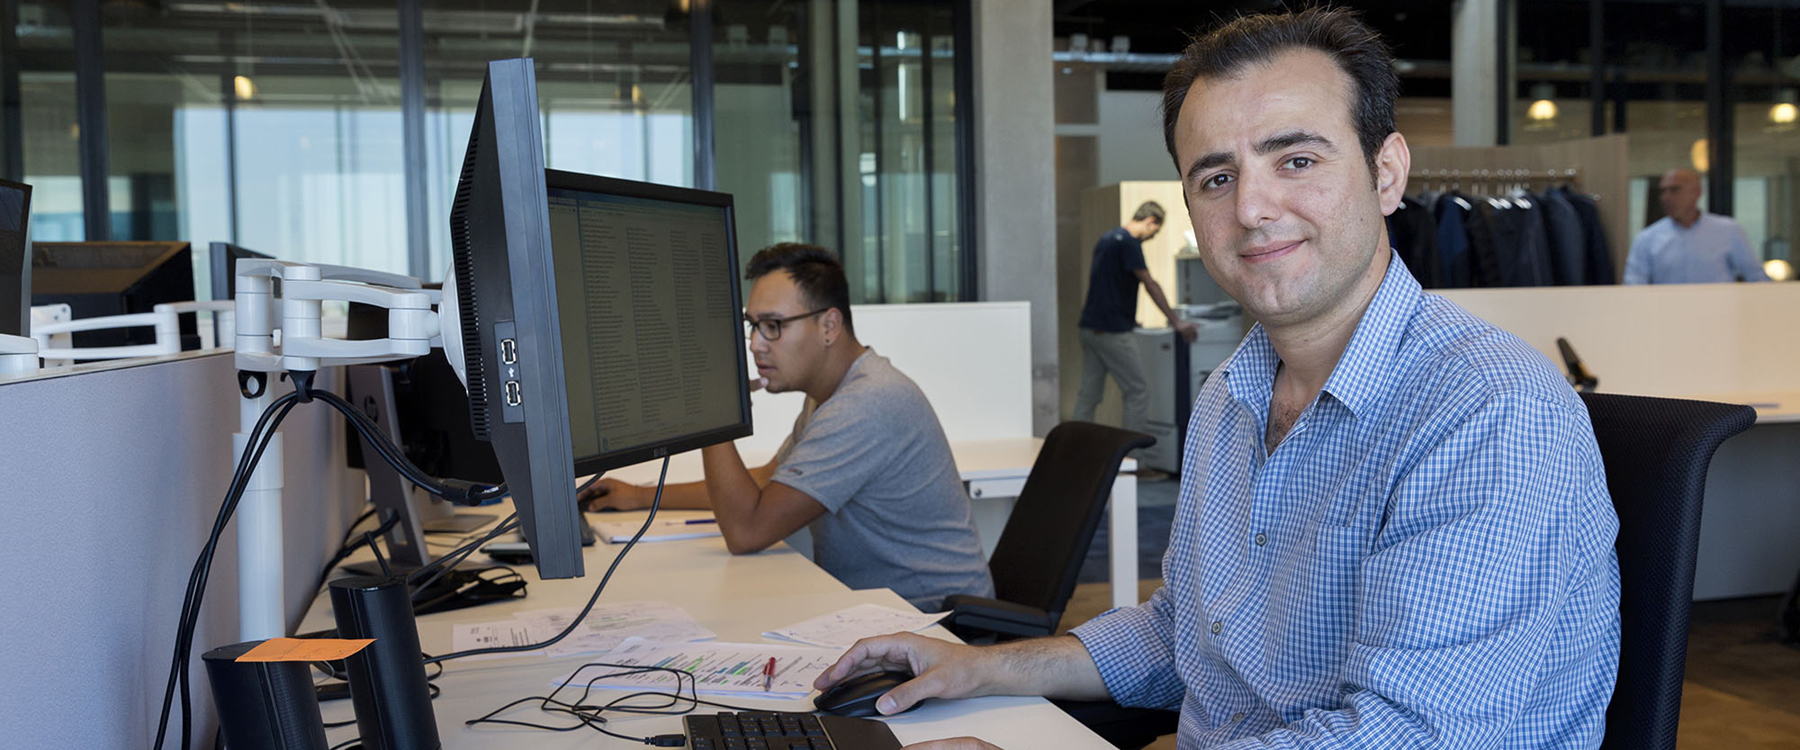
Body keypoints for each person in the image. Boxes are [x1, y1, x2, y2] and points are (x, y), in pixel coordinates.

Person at [816, 9, 1621, 750]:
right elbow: (1186, 635)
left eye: (1296, 159)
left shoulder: (1486, 410)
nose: (1253, 209)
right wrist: (979, 668)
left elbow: (1407, 734)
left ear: (1386, 172)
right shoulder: (1233, 395)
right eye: (1215, 178)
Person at [579, 243, 994, 612]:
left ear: (829, 326)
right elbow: (764, 484)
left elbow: (747, 530)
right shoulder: (833, 394)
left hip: (937, 626)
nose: (756, 343)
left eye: (774, 326)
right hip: (877, 613)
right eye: (753, 325)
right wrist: (638, 496)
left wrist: (716, 411)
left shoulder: (867, 404)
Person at [1072, 201, 1199, 445]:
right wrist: (1176, 322)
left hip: (1090, 327)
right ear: (1150, 221)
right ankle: (1134, 462)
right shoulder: (1129, 243)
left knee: (1088, 395)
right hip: (1112, 332)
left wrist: (1128, 317)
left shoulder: (1108, 238)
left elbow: (1107, 286)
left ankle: (1074, 451)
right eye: (1156, 231)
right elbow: (1149, 283)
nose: (1153, 237)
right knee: (1137, 392)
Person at [1623, 168, 1770, 284]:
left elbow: (1755, 276)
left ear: (1697, 192)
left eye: (1675, 190)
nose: (1666, 197)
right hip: (1668, 316)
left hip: (1720, 314)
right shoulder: (1647, 238)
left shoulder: (1728, 230)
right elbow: (1634, 283)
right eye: (1663, 191)